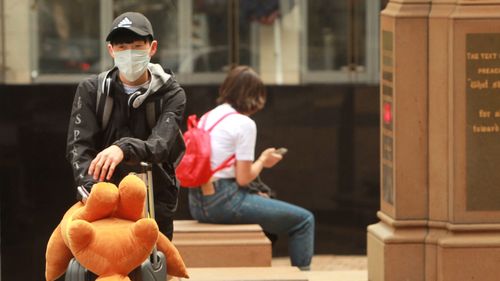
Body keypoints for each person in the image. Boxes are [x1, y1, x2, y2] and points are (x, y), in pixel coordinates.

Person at [66, 12, 186, 240]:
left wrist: (123, 148)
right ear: (111, 50)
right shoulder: (92, 91)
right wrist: (92, 191)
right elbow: (78, 147)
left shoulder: (171, 93)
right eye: (122, 47)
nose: (129, 53)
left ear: (152, 48)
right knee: (105, 268)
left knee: (155, 267)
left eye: (137, 46)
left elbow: (160, 146)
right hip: (104, 200)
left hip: (155, 198)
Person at [188, 65, 315, 270]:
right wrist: (263, 161)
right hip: (223, 202)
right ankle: (302, 275)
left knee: (264, 200)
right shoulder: (244, 123)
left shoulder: (208, 117)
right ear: (255, 96)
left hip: (196, 203)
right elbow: (243, 178)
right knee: (304, 221)